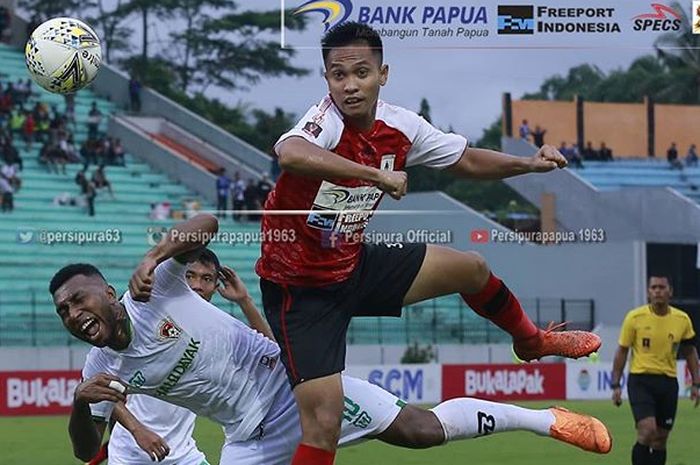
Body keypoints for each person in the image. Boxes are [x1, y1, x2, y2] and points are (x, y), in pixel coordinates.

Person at [257, 22, 603, 465]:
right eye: (337, 75)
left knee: (471, 268)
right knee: (324, 425)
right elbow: (289, 152)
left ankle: (531, 342)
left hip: (352, 265)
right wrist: (376, 175)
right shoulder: (322, 121)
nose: (349, 85)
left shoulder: (401, 126)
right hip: (300, 291)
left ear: (383, 75)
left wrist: (528, 164)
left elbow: (465, 159)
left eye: (361, 72)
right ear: (326, 79)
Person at [51, 214, 611, 465]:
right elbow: (85, 451)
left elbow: (206, 224)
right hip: (245, 439)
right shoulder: (99, 367)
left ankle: (547, 421)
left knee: (421, 431)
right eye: (63, 312)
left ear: (104, 289)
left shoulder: (157, 288)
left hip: (296, 387)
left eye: (79, 299)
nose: (74, 314)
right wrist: (80, 403)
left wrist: (154, 254)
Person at [89, 249, 273, 465]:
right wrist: (137, 430)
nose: (197, 285)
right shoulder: (147, 312)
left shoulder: (215, 329)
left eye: (206, 279)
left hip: (184, 454)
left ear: (216, 286)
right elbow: (104, 390)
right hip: (133, 454)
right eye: (190, 275)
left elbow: (272, 352)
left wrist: (244, 300)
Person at [611, 275, 700, 465]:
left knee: (661, 438)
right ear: (648, 292)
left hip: (668, 382)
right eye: (653, 287)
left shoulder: (682, 319)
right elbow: (622, 351)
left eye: (661, 287)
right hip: (641, 380)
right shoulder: (634, 318)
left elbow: (690, 352)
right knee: (647, 430)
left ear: (670, 291)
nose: (657, 291)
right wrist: (615, 384)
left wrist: (696, 383)